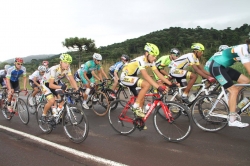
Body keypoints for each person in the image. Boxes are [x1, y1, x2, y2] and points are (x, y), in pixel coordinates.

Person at [120, 43, 172, 119]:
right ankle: (135, 106)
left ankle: (139, 120)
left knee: (142, 98)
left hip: (133, 78)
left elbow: (158, 74)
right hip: (125, 77)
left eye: (156, 56)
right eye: (153, 55)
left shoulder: (152, 62)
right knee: (146, 84)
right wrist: (158, 87)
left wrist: (170, 83)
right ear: (147, 53)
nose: (155, 58)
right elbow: (146, 76)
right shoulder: (140, 60)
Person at [208, 39, 250, 127]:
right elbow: (248, 68)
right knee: (234, 91)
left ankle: (229, 96)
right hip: (216, 67)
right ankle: (232, 120)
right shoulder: (243, 49)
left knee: (245, 81)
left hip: (223, 67)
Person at [40, 53, 80, 122]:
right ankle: (43, 115)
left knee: (62, 99)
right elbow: (50, 85)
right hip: (45, 84)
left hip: (54, 82)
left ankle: (56, 114)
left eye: (68, 63)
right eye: (65, 62)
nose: (67, 65)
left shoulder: (67, 69)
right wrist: (61, 87)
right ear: (60, 62)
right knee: (52, 100)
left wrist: (77, 89)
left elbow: (72, 80)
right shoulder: (54, 69)